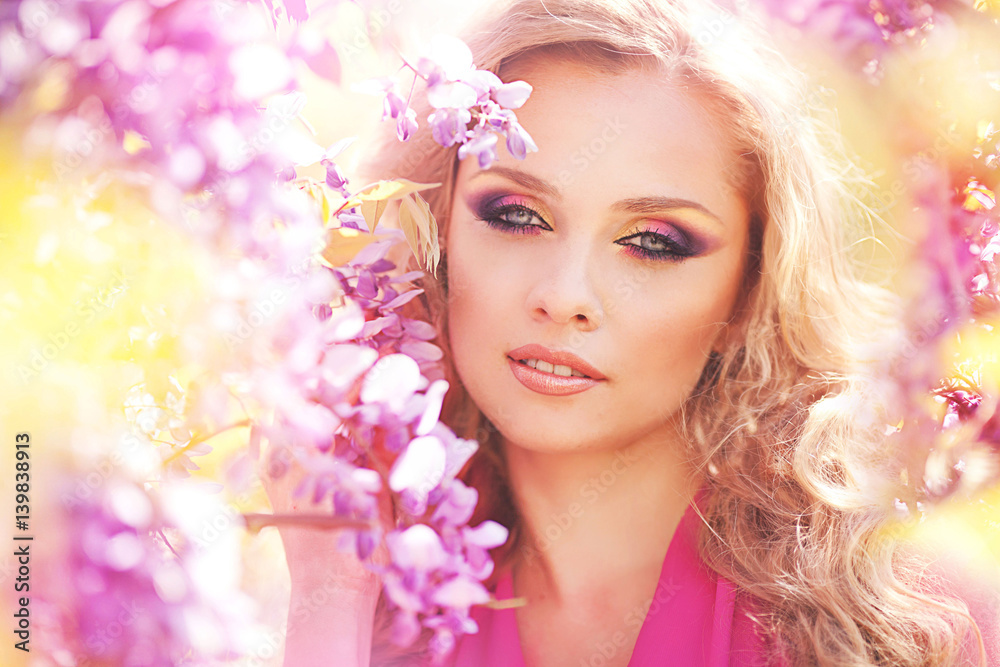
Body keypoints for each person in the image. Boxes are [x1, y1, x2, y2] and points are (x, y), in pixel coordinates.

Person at [265, 0, 1000, 665]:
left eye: (652, 241)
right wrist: (329, 593)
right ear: (439, 232)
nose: (564, 296)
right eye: (516, 215)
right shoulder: (393, 618)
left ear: (748, 291)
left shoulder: (915, 614)